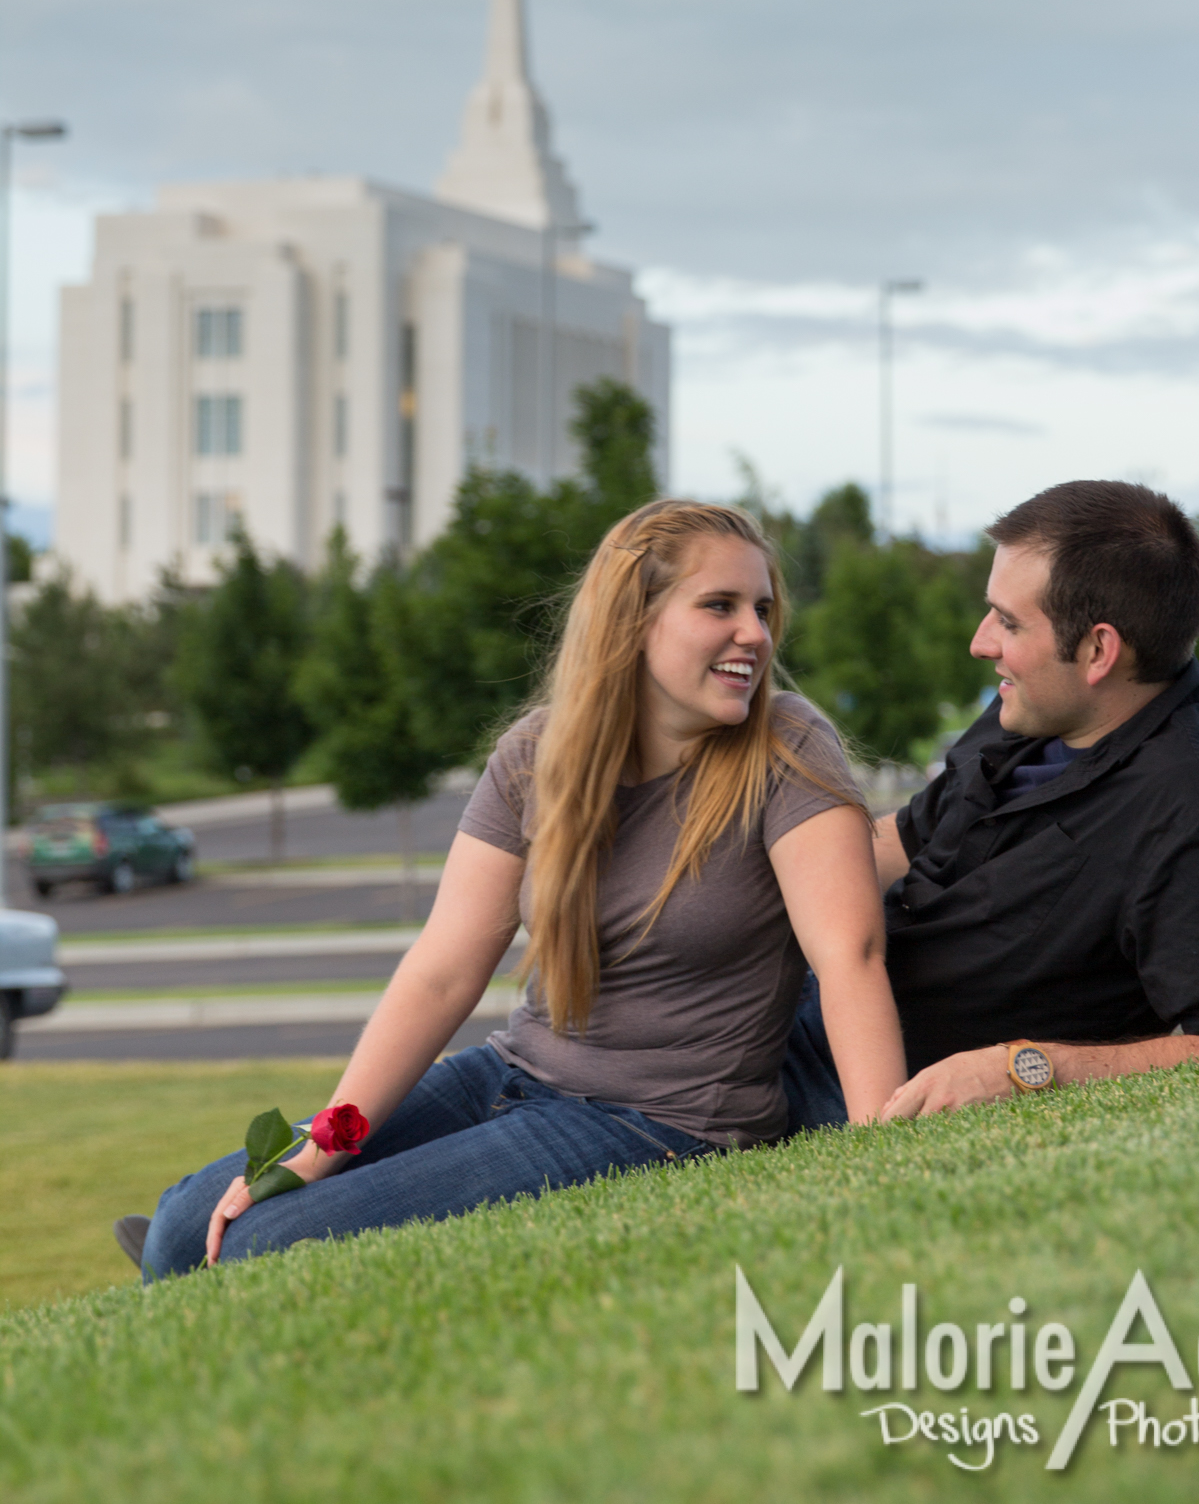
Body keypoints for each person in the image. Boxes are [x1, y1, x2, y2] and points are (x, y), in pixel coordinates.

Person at [136, 500, 905, 1280]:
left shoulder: (785, 743)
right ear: (633, 620)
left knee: (262, 1245)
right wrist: (328, 1144)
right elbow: (442, 971)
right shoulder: (537, 754)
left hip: (662, 1124)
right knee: (180, 1229)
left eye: (764, 610)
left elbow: (850, 955)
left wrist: (883, 1160)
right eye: (721, 606)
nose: (756, 634)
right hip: (512, 1073)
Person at [781, 479, 1199, 1131]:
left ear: (1097, 651)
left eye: (1008, 621)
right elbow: (897, 843)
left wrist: (1020, 1069)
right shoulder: (1030, 714)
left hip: (853, 1090)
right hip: (794, 1015)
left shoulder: (1195, 805)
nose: (980, 642)